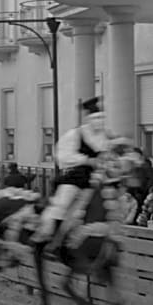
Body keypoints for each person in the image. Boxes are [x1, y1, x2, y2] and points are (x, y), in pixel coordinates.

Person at [33, 96, 114, 251]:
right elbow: (63, 155)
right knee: (63, 204)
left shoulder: (105, 137)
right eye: (96, 118)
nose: (99, 121)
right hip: (75, 177)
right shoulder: (76, 134)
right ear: (89, 119)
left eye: (101, 118)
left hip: (96, 179)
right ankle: (47, 236)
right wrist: (85, 160)